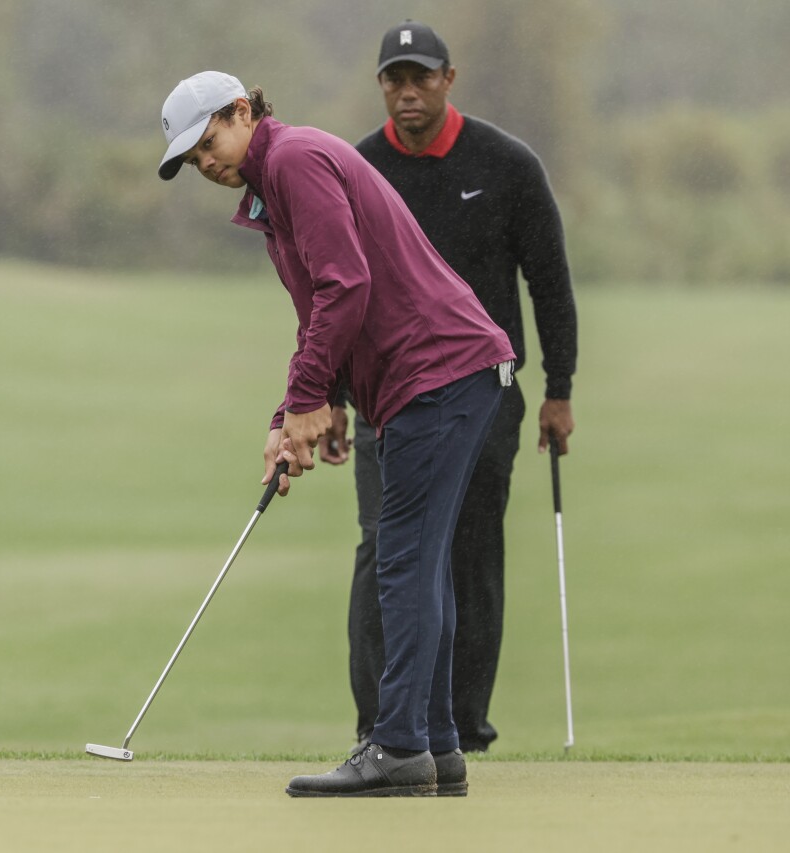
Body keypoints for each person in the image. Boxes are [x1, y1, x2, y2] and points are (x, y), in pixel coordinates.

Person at [157, 70, 515, 797]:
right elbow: (325, 308)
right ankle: (436, 748)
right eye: (194, 160)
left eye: (209, 142)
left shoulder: (292, 161)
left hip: (439, 372)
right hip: (443, 376)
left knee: (404, 558)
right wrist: (295, 413)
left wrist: (309, 397)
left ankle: (399, 747)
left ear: (241, 111)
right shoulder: (272, 191)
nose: (208, 164)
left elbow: (345, 284)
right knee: (418, 558)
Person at [334, 21, 579, 755]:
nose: (408, 92)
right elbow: (338, 290)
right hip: (385, 396)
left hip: (485, 393)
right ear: (381, 85)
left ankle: (461, 726)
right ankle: (381, 726)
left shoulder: (507, 165)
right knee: (385, 549)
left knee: (469, 549)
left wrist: (559, 389)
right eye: (395, 79)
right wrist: (334, 396)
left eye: (422, 77)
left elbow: (549, 283)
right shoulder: (358, 169)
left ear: (449, 79)